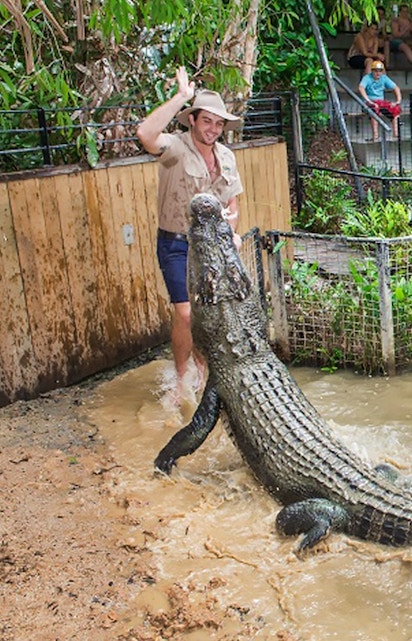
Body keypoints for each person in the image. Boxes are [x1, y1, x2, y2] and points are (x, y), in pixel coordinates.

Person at [137, 66, 243, 403]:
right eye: (207, 121)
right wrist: (181, 97)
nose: (213, 129)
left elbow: (233, 205)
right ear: (193, 120)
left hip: (211, 248)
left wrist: (232, 234)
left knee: (205, 313)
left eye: (219, 123)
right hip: (176, 244)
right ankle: (182, 379)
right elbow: (145, 133)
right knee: (184, 312)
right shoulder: (175, 148)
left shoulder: (226, 156)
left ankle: (202, 370)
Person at [358, 59, 402, 140]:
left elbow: (396, 88)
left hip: (381, 102)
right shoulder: (367, 78)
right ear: (372, 71)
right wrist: (368, 100)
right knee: (374, 109)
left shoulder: (384, 78)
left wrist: (398, 101)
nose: (378, 73)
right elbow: (361, 88)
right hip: (370, 102)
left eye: (380, 71)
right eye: (375, 71)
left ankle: (396, 134)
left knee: (395, 109)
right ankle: (375, 135)